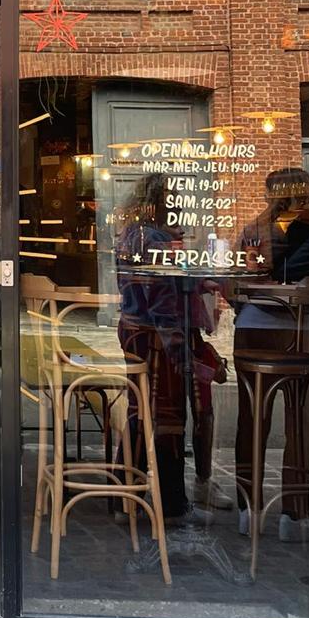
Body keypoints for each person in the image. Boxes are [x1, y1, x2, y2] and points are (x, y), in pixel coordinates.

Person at [115, 173, 221, 522]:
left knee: (141, 411)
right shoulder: (157, 239)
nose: (177, 207)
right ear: (160, 204)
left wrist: (196, 282)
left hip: (135, 331)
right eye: (171, 200)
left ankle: (125, 497)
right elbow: (162, 299)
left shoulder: (131, 234)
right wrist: (181, 353)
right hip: (157, 338)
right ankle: (172, 504)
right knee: (167, 419)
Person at [234, 167, 309, 541]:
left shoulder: (254, 230)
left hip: (253, 325)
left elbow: (236, 284)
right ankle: (294, 513)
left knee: (251, 417)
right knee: (300, 420)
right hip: (302, 330)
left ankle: (248, 509)